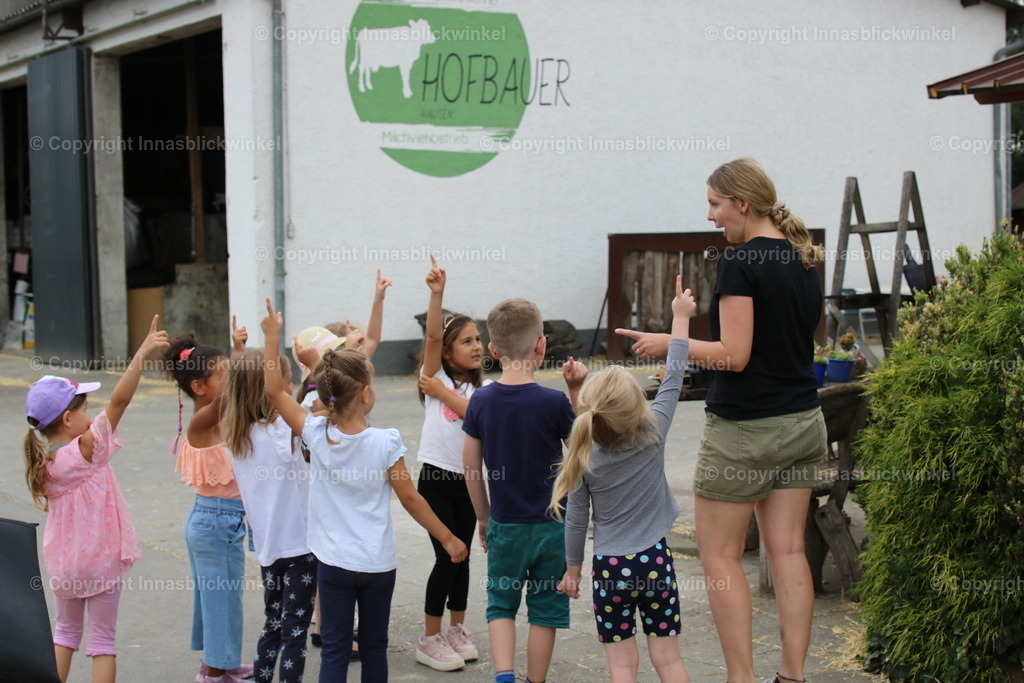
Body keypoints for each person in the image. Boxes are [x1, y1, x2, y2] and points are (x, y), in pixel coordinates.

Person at [617, 158, 826, 683]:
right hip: (804, 420)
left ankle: (741, 679)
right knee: (790, 551)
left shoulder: (741, 262)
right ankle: (792, 676)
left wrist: (673, 343)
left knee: (721, 558)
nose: (711, 217)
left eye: (715, 204)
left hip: (745, 430)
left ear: (743, 204)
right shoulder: (803, 258)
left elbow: (734, 355)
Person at [260, 297, 468, 683]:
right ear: (367, 394)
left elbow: (274, 392)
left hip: (334, 564)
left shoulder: (316, 432)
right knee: (374, 648)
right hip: (377, 564)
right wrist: (447, 537)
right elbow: (410, 499)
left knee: (336, 651)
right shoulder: (385, 442)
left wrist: (270, 337)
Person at [552, 276, 695, 683]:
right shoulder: (654, 432)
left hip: (609, 567)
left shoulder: (582, 451)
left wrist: (573, 570)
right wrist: (679, 318)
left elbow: (577, 518)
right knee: (669, 659)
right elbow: (675, 375)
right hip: (654, 561)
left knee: (621, 665)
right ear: (638, 409)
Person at [23, 315, 168, 683]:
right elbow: (120, 400)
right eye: (86, 409)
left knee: (64, 634)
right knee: (102, 642)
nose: (92, 415)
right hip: (100, 561)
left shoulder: (44, 462)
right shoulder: (89, 449)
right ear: (69, 419)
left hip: (64, 564)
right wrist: (142, 353)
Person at [462, 297, 586, 683]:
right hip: (552, 527)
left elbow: (470, 467)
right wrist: (576, 392)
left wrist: (483, 518)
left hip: (506, 524)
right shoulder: (554, 403)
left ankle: (503, 676)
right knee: (545, 611)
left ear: (493, 351)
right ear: (542, 345)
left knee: (500, 605)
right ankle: (535, 680)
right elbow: (582, 452)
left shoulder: (480, 401)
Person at [414, 255, 491, 671]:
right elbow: (429, 338)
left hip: (469, 482)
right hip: (435, 482)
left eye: (478, 339)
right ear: (446, 353)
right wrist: (437, 295)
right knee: (449, 554)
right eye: (466, 341)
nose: (477, 345)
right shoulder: (436, 381)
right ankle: (429, 638)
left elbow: (477, 416)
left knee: (464, 557)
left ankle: (457, 629)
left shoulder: (487, 391)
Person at [164, 329, 254, 683]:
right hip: (216, 522)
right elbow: (232, 397)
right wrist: (243, 360)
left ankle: (222, 662)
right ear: (199, 387)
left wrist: (238, 352)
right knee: (221, 601)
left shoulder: (216, 415)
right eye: (223, 375)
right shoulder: (204, 419)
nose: (231, 380)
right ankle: (214, 674)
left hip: (218, 522)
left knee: (222, 598)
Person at [223, 347, 317, 683]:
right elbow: (321, 406)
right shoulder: (280, 433)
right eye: (285, 384)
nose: (289, 391)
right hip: (299, 549)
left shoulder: (238, 434)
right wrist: (317, 366)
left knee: (273, 624)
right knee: (296, 633)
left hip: (268, 551)